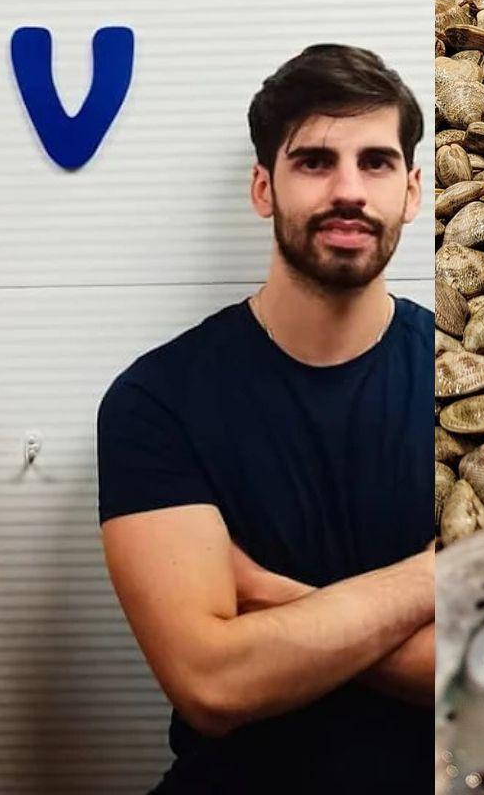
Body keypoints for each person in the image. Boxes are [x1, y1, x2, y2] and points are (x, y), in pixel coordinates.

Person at [97, 44, 433, 794]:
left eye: (375, 162)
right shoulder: (156, 401)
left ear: (412, 191)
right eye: (314, 161)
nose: (348, 190)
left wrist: (277, 601)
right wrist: (436, 579)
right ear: (263, 187)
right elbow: (212, 684)